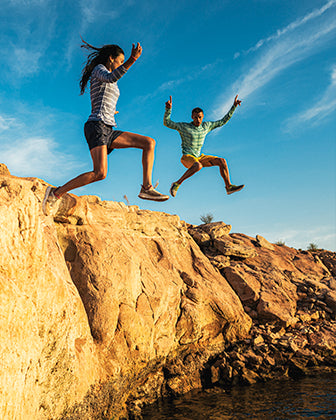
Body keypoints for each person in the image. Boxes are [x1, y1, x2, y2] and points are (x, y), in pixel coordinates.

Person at [42, 39, 169, 216]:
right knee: (100, 173)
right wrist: (132, 60)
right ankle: (55, 193)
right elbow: (111, 77)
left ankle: (146, 188)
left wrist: (111, 111)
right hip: (97, 126)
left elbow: (102, 97)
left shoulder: (107, 76)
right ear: (111, 59)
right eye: (120, 60)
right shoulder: (99, 70)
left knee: (149, 143)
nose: (122, 64)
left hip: (108, 127)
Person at [163, 95, 245, 197]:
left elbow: (222, 121)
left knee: (222, 161)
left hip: (199, 157)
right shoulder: (184, 127)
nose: (198, 119)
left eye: (200, 117)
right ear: (192, 117)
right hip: (187, 157)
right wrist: (168, 109)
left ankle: (228, 187)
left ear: (203, 117)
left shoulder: (206, 126)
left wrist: (234, 106)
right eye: (195, 117)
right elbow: (167, 123)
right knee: (198, 166)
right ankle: (177, 183)